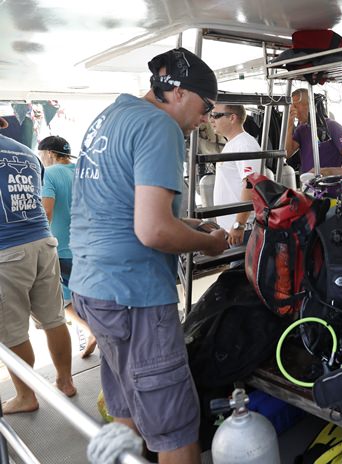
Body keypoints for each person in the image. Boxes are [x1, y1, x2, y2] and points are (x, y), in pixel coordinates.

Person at [69, 48, 228, 464]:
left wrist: (191, 224)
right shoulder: (161, 126)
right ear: (177, 92)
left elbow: (124, 207)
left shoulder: (112, 117)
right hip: (133, 295)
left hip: (94, 290)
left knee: (126, 404)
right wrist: (210, 244)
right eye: (205, 106)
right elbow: (153, 230)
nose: (205, 119)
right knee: (173, 426)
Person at [0, 118, 76, 414]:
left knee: (11, 331)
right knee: (54, 318)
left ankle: (25, 396)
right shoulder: (26, 153)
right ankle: (66, 381)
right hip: (44, 242)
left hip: (7, 251)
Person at [38, 135, 97, 358]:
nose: (41, 159)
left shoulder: (50, 173)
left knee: (62, 301)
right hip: (89, 246)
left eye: (41, 154)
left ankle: (92, 331)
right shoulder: (84, 171)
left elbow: (47, 212)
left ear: (51, 154)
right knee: (89, 294)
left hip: (62, 248)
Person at [209, 104, 261, 246]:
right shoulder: (233, 144)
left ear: (232, 118)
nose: (211, 120)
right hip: (233, 228)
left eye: (216, 115)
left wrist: (239, 224)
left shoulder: (244, 145)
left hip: (243, 230)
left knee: (241, 267)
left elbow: (250, 185)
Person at [285, 88, 342, 173]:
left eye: (296, 106)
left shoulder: (332, 126)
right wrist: (289, 125)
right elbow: (287, 153)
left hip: (331, 184)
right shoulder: (301, 130)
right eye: (292, 107)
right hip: (308, 184)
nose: (293, 110)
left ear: (309, 105)